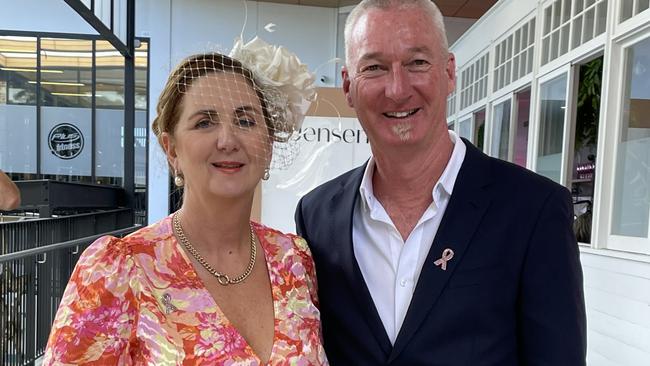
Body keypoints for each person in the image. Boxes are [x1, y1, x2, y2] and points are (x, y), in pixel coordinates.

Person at [294, 1, 587, 365]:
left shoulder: (533, 209)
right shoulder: (317, 216)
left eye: (417, 62)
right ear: (349, 87)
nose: (398, 89)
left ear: (449, 73)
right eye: (375, 68)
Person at [44, 38, 327, 365]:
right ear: (172, 149)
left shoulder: (293, 261)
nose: (227, 140)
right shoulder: (119, 270)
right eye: (205, 122)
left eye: (245, 120)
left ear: (269, 144)